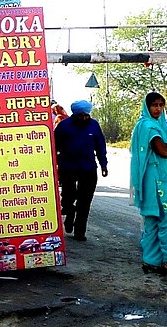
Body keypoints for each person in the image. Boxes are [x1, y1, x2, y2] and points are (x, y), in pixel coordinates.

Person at [130, 92, 167, 277]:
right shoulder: (151, 126)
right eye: (154, 105)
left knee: (152, 220)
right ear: (147, 106)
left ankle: (151, 260)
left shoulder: (142, 124)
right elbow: (162, 150)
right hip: (158, 178)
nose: (158, 109)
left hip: (150, 178)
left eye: (161, 105)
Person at [54, 99, 108, 241]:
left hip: (88, 168)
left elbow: (100, 145)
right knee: (68, 196)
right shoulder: (64, 126)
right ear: (75, 114)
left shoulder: (94, 125)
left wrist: (103, 164)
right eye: (81, 115)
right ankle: (69, 212)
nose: (84, 118)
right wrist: (55, 163)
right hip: (68, 168)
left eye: (86, 115)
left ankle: (80, 232)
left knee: (85, 201)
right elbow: (54, 146)